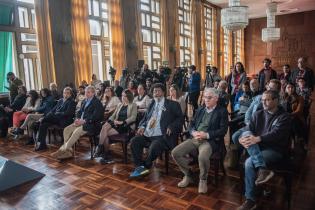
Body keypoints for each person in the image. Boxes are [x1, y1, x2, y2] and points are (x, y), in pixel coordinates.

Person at [236, 90, 291, 210]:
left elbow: (276, 135)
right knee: (246, 132)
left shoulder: (284, 117)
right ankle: (262, 169)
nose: (264, 102)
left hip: (274, 149)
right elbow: (248, 129)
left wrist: (258, 138)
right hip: (257, 147)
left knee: (249, 163)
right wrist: (241, 139)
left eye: (267, 100)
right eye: (262, 100)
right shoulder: (258, 114)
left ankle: (250, 200)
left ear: (276, 100)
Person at [172, 88, 228, 194]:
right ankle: (189, 174)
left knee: (202, 156)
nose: (206, 99)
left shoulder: (222, 111)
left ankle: (203, 180)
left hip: (209, 141)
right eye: (205, 97)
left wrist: (206, 135)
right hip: (195, 138)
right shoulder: (200, 109)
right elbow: (191, 124)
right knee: (175, 153)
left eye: (209, 97)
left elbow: (223, 130)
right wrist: (193, 132)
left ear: (216, 98)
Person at [129, 83, 184, 178]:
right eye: (154, 91)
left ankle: (146, 166)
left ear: (163, 92)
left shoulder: (172, 104)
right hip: (148, 134)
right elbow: (145, 118)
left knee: (154, 146)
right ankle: (140, 167)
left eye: (158, 91)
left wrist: (171, 126)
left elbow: (180, 119)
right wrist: (142, 126)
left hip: (162, 136)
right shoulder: (152, 104)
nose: (156, 93)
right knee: (134, 141)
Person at [51, 86, 103, 159]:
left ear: (93, 93)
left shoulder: (97, 102)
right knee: (66, 130)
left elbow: (96, 116)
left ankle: (62, 150)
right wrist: (77, 119)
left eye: (88, 92)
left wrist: (84, 121)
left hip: (91, 124)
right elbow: (79, 112)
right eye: (85, 92)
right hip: (80, 122)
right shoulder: (85, 101)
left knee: (76, 132)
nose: (86, 94)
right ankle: (68, 152)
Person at [94, 89, 137, 164]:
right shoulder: (120, 105)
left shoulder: (133, 105)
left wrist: (123, 122)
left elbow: (133, 117)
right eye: (122, 96)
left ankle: (102, 151)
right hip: (116, 123)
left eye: (125, 96)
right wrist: (112, 121)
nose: (123, 97)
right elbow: (113, 116)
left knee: (105, 134)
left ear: (129, 96)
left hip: (125, 126)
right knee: (106, 126)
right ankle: (104, 152)